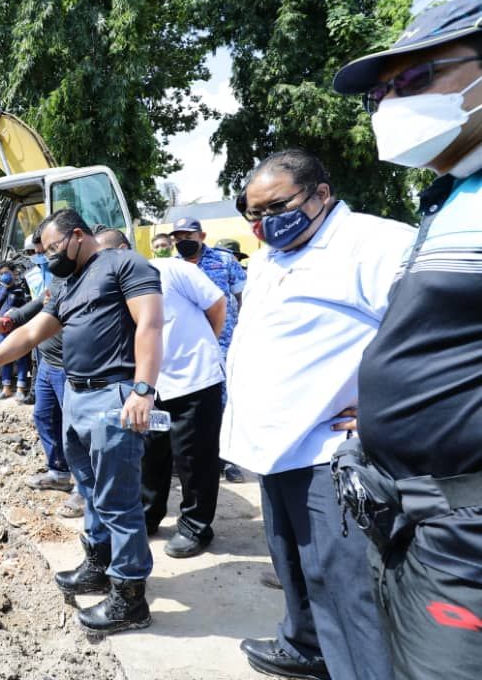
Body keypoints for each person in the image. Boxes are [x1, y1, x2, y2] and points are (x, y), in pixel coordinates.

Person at [332, 0, 482, 679]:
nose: (390, 103)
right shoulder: (452, 197)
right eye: (381, 93)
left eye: (414, 80)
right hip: (410, 523)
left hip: (463, 536)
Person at [222, 149, 413, 680]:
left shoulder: (376, 244)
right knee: (296, 568)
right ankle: (305, 647)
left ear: (321, 194)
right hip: (273, 447)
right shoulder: (265, 258)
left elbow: (435, 335)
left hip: (328, 454)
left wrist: (385, 406)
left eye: (275, 207)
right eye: (252, 214)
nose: (263, 224)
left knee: (345, 586)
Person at [0, 208, 163, 636]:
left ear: (78, 236)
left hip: (115, 394)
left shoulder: (124, 264)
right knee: (90, 489)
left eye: (53, 248)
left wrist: (143, 389)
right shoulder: (65, 284)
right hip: (76, 394)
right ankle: (98, 564)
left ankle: (130, 598)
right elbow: (33, 331)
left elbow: (149, 323)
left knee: (119, 499)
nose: (48, 258)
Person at [0, 236, 80, 516]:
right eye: (37, 252)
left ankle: (85, 491)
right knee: (44, 417)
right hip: (47, 363)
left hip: (68, 365)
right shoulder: (56, 280)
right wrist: (8, 320)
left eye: (46, 251)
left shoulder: (84, 279)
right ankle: (59, 472)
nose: (41, 257)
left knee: (73, 429)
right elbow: (39, 303)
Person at [143, 254, 226, 558]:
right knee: (151, 454)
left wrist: (204, 345)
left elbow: (217, 306)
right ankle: (148, 515)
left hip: (194, 378)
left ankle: (196, 526)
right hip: (154, 383)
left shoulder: (173, 270)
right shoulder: (118, 286)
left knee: (194, 459)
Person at [170, 216, 247, 484]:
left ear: (201, 236)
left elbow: (243, 297)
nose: (183, 242)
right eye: (178, 238)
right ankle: (193, 458)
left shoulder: (225, 261)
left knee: (226, 403)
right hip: (189, 347)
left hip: (224, 344)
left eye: (188, 237)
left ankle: (229, 461)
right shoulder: (174, 267)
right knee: (194, 405)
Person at [0, 261, 31, 401]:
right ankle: (6, 389)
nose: (4, 276)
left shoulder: (21, 289)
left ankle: (20, 389)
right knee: (4, 357)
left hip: (18, 328)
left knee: (22, 357)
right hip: (3, 330)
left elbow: (28, 309)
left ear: (14, 273)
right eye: (1, 274)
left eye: (7, 273)